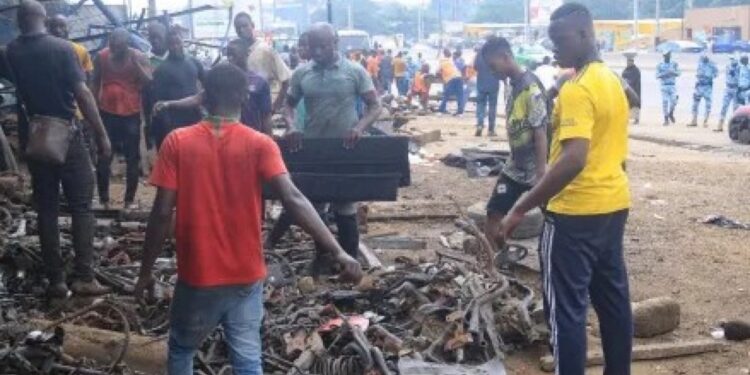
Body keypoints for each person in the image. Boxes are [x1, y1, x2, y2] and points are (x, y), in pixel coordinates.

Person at [133, 62, 363, 375]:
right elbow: (293, 198)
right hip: (246, 273)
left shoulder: (178, 142)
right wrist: (337, 250)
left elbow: (161, 213)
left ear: (203, 96)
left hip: (198, 274)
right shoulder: (260, 144)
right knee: (246, 358)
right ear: (244, 97)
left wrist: (145, 273)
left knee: (182, 349)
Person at [500, 3, 632, 374]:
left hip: (574, 213)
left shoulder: (579, 88)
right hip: (613, 204)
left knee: (567, 310)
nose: (554, 48)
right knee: (613, 301)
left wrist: (521, 207)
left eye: (560, 40)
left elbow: (573, 159)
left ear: (586, 35)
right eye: (551, 40)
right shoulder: (610, 80)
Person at [6, 0, 112, 297]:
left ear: (18, 22)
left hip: (36, 139)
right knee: (81, 206)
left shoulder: (12, 52)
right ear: (44, 17)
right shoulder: (62, 49)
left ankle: (55, 280)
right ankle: (84, 276)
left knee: (47, 209)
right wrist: (102, 135)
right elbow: (83, 95)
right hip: (67, 136)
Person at [283, 23, 381, 266]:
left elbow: (375, 106)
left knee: (345, 204)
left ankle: (348, 260)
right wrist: (291, 126)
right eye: (313, 46)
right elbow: (288, 105)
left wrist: (359, 128)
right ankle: (324, 256)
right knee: (315, 205)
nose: (316, 52)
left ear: (335, 43)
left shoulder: (355, 71)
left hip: (345, 149)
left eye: (322, 46)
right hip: (314, 150)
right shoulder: (302, 73)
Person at [480, 36, 548, 266]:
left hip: (536, 168)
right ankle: (493, 265)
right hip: (515, 167)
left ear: (506, 57)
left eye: (493, 66)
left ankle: (555, 260)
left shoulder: (530, 87)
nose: (492, 71)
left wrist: (542, 173)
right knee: (494, 212)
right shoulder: (510, 85)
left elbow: (540, 131)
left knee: (553, 218)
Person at [154, 39, 273, 135]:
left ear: (246, 54)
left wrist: (270, 140)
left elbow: (266, 116)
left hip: (252, 137)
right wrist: (169, 103)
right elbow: (197, 99)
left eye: (234, 55)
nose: (230, 59)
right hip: (226, 139)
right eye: (228, 55)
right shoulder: (222, 80)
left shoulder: (260, 83)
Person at [92, 28, 152, 210]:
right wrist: (92, 110)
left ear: (126, 45)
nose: (114, 49)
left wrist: (137, 64)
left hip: (130, 114)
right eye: (112, 44)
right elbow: (95, 83)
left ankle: (129, 200)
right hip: (106, 112)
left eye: (118, 46)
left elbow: (149, 81)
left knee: (132, 158)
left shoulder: (138, 56)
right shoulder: (101, 57)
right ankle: (103, 200)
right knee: (104, 155)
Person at [148, 27, 204, 148]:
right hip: (173, 118)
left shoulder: (194, 62)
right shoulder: (161, 70)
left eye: (178, 42)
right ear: (167, 45)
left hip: (194, 115)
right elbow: (159, 101)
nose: (175, 47)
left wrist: (204, 108)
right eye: (171, 44)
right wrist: (166, 124)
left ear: (182, 41)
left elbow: (208, 84)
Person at [234, 12, 291, 113]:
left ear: (252, 25)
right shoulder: (236, 52)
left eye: (245, 26)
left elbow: (286, 79)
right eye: (238, 28)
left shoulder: (265, 50)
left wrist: (275, 106)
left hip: (265, 107)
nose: (241, 30)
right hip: (247, 109)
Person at [474, 43, 501, 137]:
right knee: (492, 107)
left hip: (481, 83)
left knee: (481, 105)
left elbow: (475, 67)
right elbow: (500, 68)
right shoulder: (496, 54)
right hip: (493, 84)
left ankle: (480, 125)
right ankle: (491, 130)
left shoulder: (480, 54)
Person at [689, 53, 718, 128]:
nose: (704, 58)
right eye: (703, 57)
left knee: (708, 105)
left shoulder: (712, 65)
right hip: (699, 86)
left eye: (705, 57)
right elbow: (698, 72)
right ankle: (694, 120)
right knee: (695, 104)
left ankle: (705, 121)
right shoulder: (700, 63)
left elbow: (716, 74)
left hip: (707, 87)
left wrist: (708, 76)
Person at [438, 48, 464, 116]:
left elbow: (437, 72)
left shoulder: (442, 61)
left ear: (444, 54)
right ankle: (460, 112)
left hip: (450, 79)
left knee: (446, 95)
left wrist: (442, 77)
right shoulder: (452, 60)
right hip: (459, 77)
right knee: (460, 95)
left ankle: (441, 110)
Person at [656, 51, 680, 126]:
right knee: (665, 102)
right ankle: (666, 118)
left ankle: (671, 113)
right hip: (664, 85)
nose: (667, 57)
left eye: (669, 55)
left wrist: (673, 72)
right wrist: (665, 73)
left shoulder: (674, 64)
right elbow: (657, 75)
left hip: (672, 85)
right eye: (666, 55)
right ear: (664, 56)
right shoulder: (660, 65)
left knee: (674, 101)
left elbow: (679, 73)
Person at [717, 57, 740, 132]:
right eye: (731, 59)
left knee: (735, 109)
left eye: (734, 59)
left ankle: (735, 127)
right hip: (728, 88)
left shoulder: (740, 68)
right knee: (724, 107)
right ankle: (720, 125)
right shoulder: (728, 66)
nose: (732, 61)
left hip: (736, 89)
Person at [621, 54, 641, 125]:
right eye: (628, 62)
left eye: (630, 61)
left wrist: (629, 81)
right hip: (627, 90)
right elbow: (622, 78)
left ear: (632, 62)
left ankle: (636, 119)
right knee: (627, 104)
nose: (629, 63)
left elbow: (636, 79)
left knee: (635, 104)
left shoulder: (636, 70)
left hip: (635, 89)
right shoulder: (625, 70)